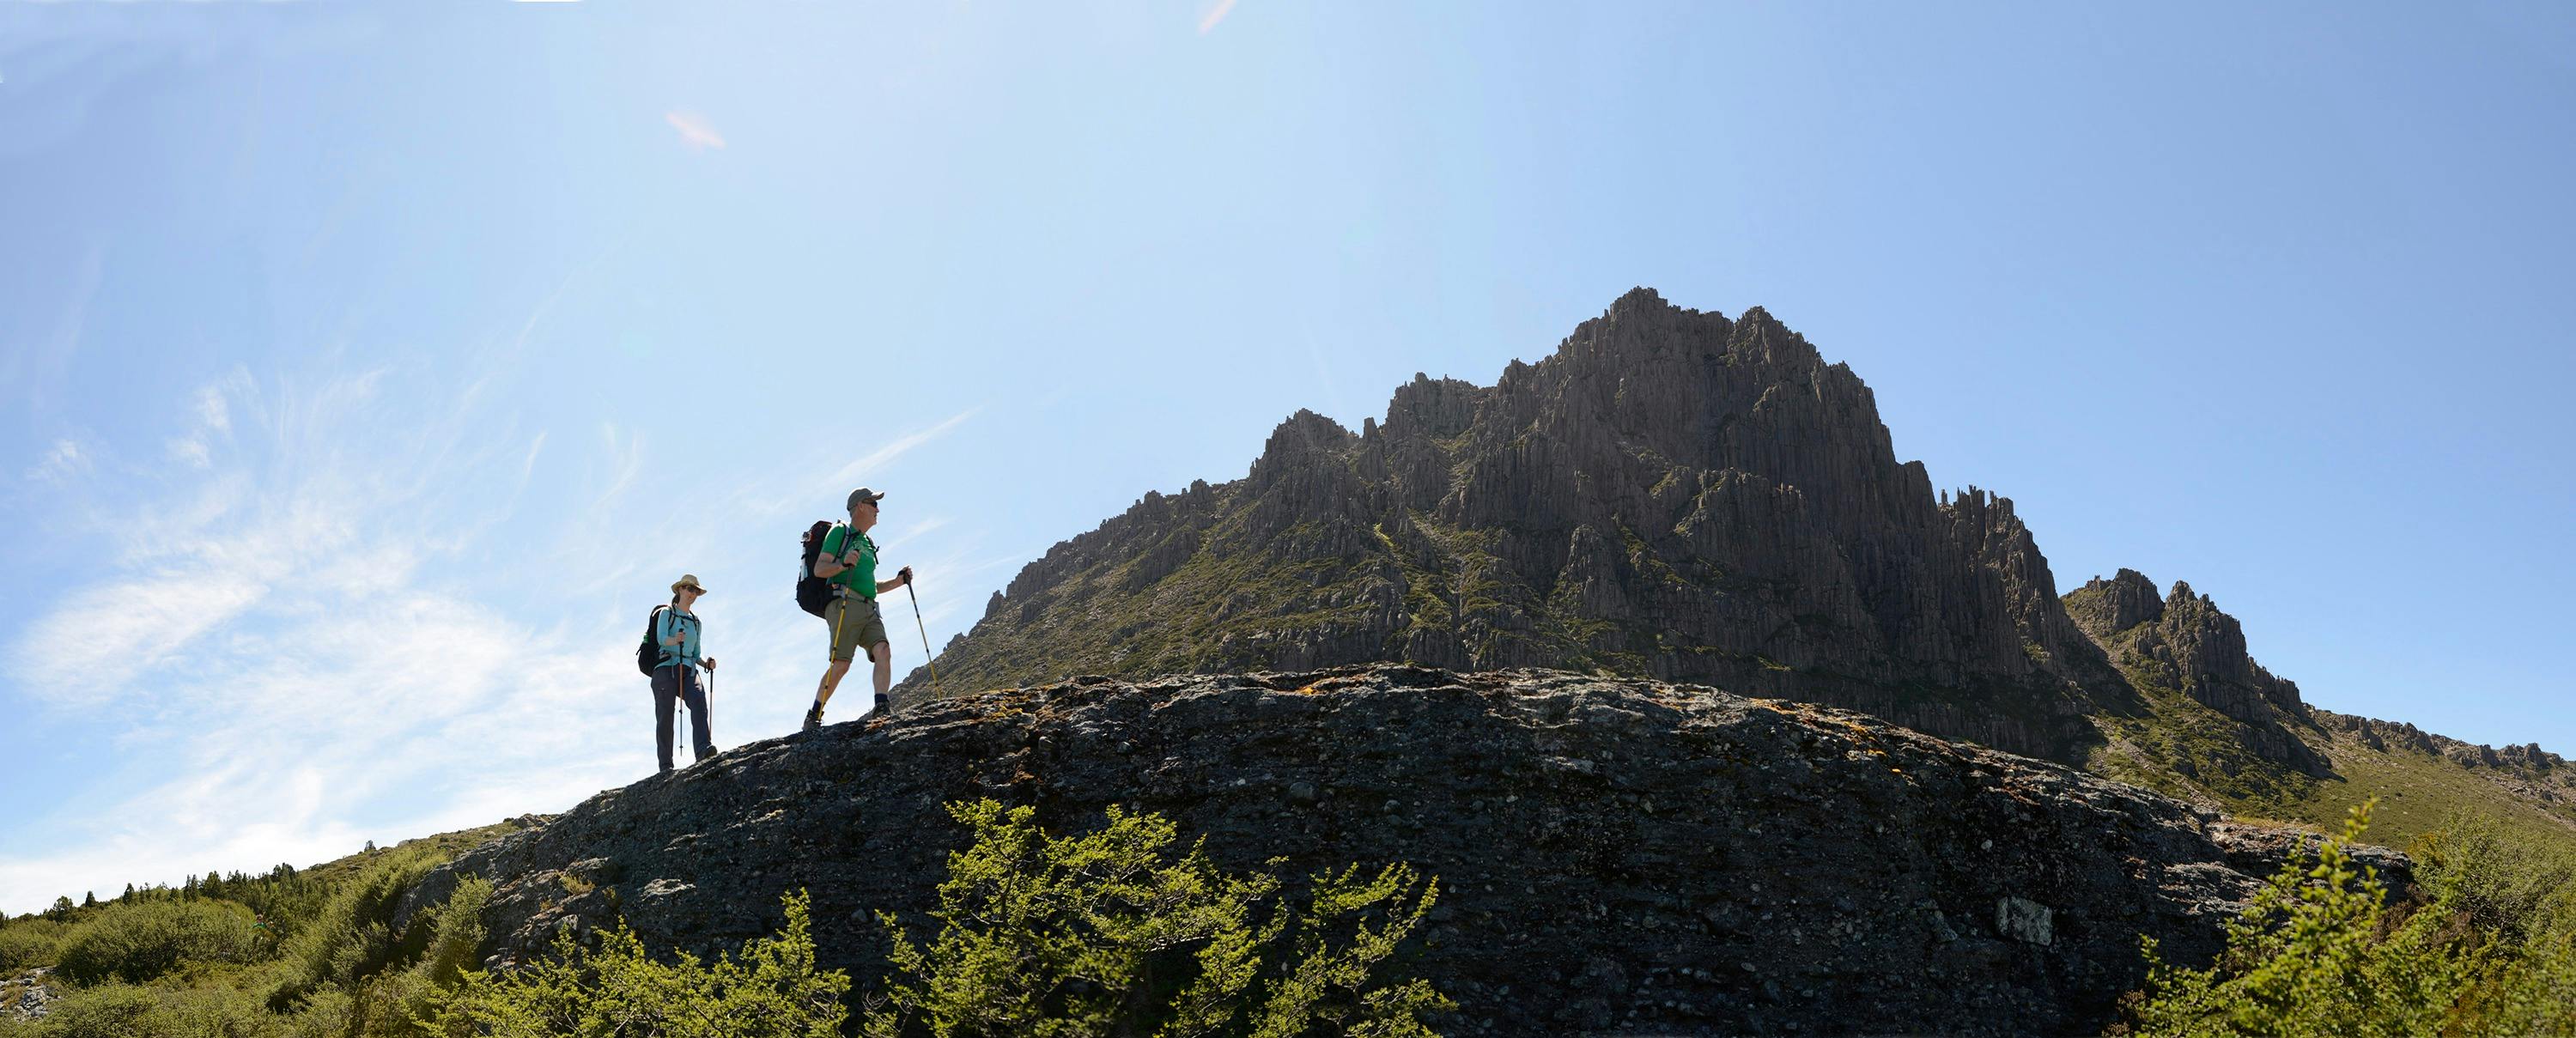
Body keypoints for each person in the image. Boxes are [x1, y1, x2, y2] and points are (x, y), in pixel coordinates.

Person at [805, 487, 913, 731]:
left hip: (868, 607)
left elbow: (870, 584)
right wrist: (843, 564)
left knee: (883, 649)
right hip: (843, 604)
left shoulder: (866, 542)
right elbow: (820, 569)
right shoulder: (840, 532)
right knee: (841, 664)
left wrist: (898, 581)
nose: (878, 509)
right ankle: (814, 714)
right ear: (860, 506)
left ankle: (882, 705)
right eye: (874, 504)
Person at [653, 574, 719, 771]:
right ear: (680, 589)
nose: (693, 594)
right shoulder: (667, 613)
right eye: (690, 589)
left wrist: (706, 663)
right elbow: (661, 639)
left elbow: (696, 652)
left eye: (696, 591)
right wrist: (676, 640)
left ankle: (703, 751)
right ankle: (666, 765)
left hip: (688, 669)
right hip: (665, 668)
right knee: (666, 714)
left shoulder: (697, 623)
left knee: (699, 700)